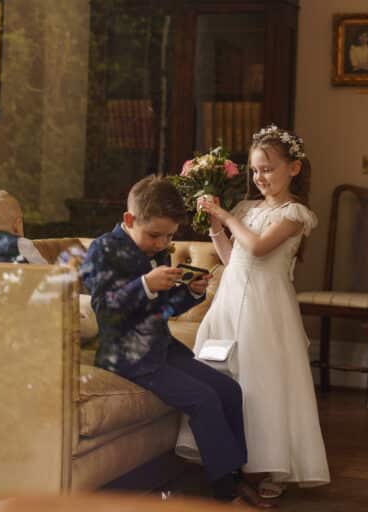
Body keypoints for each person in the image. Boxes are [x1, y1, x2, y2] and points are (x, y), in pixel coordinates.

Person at [80, 176, 267, 507]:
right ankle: (226, 495)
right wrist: (145, 285)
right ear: (129, 220)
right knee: (204, 399)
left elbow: (160, 311)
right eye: (154, 235)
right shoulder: (102, 250)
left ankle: (237, 476)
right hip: (127, 355)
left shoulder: (159, 251)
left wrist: (188, 294)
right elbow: (105, 309)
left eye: (168, 236)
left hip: (162, 348)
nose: (161, 243)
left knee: (229, 390)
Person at [185, 125, 330, 499]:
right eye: (254, 170)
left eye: (267, 168)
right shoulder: (246, 208)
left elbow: (261, 248)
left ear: (293, 168)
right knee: (227, 373)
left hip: (267, 306)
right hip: (232, 299)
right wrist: (217, 226)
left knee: (265, 381)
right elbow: (234, 259)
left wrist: (227, 217)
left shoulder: (295, 213)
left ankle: (274, 467)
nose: (259, 177)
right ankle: (230, 457)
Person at [0, 189, 98, 341]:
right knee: (91, 315)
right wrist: (67, 307)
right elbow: (50, 276)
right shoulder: (21, 244)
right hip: (26, 321)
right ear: (18, 225)